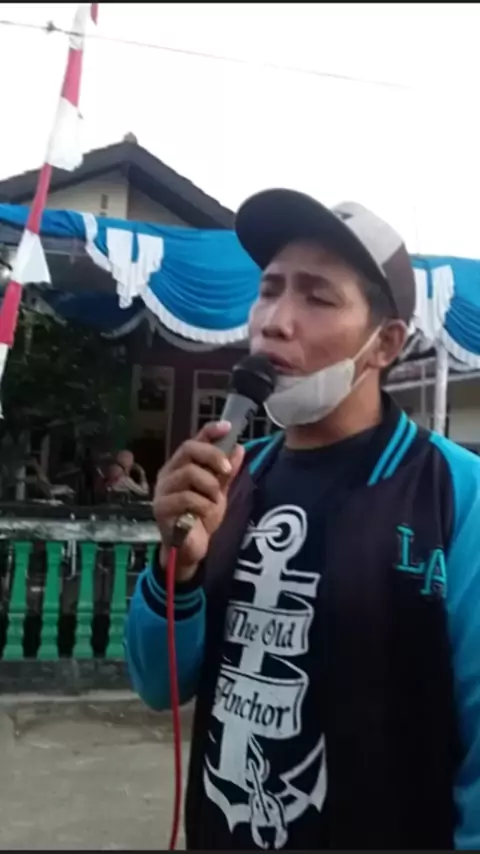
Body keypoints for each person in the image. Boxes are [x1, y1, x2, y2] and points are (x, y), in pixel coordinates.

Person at [125, 190, 480, 850]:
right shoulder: (232, 477)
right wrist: (180, 567)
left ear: (385, 343)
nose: (275, 322)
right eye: (269, 290)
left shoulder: (456, 493)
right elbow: (158, 686)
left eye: (318, 297)